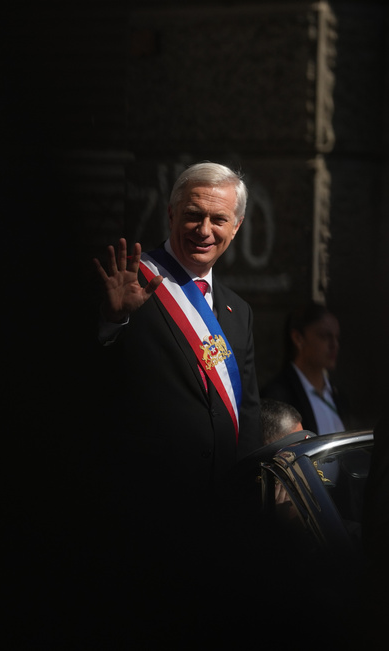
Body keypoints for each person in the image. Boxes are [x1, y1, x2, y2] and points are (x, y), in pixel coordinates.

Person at [92, 161, 262, 503]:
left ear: (236, 227)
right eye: (193, 215)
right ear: (171, 215)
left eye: (219, 220)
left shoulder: (238, 310)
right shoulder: (128, 283)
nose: (204, 230)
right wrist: (112, 320)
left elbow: (248, 413)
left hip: (218, 505)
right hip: (145, 499)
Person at [261, 301, 354, 434]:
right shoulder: (277, 397)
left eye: (337, 338)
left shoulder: (338, 397)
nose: (335, 345)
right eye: (324, 336)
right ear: (298, 338)